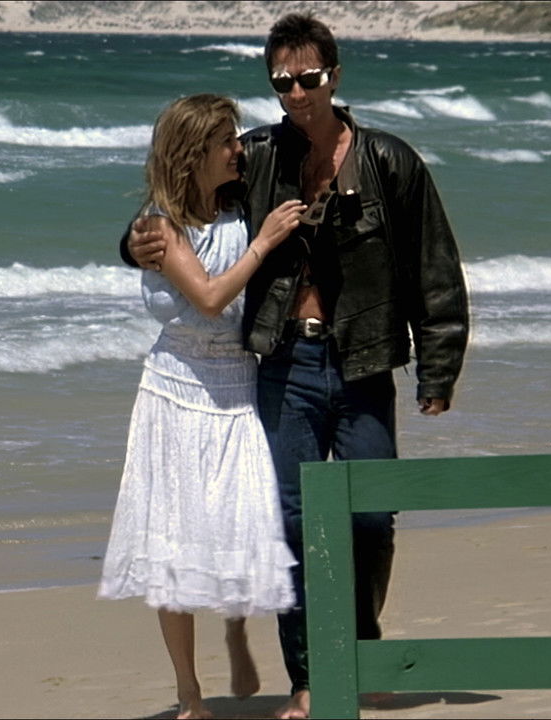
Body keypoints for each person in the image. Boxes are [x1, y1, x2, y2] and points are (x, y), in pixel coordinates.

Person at [121, 14, 470, 719]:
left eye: (308, 78)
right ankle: (311, 677)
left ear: (334, 76)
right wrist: (130, 244)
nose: (296, 93)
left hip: (364, 359)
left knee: (370, 517)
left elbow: (434, 266)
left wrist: (439, 369)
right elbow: (181, 198)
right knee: (289, 523)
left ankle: (359, 649)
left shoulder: (389, 160)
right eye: (282, 82)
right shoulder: (256, 157)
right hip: (285, 361)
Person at [97, 93, 303, 720]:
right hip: (176, 390)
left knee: (245, 524)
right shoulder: (160, 227)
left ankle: (237, 631)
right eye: (227, 142)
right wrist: (264, 244)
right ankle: (189, 693)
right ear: (194, 154)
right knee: (173, 545)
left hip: (239, 383)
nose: (239, 150)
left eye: (237, 139)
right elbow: (210, 298)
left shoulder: (239, 205)